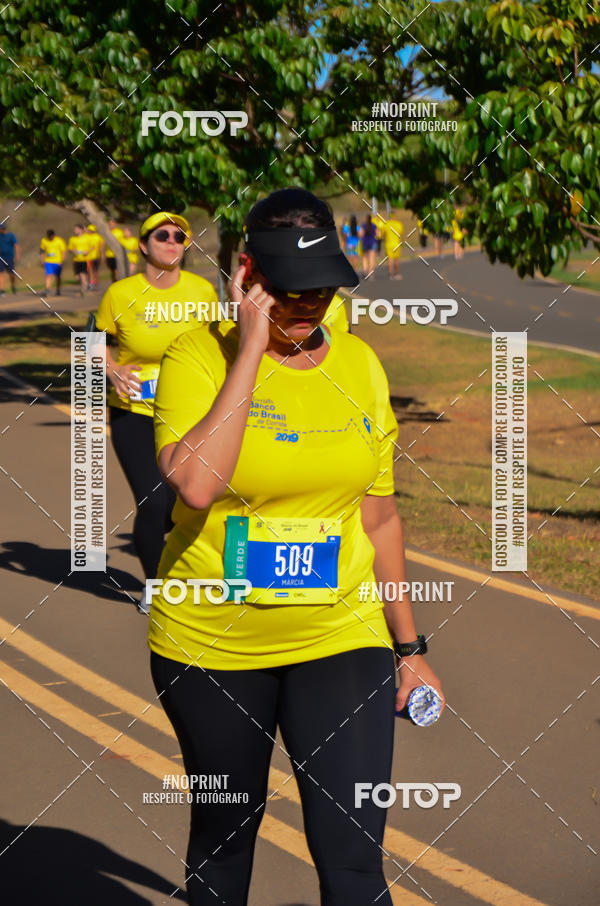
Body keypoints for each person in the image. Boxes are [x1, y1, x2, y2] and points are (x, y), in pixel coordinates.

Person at [150, 187, 445, 906]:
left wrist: (409, 650)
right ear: (248, 274)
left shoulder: (360, 366)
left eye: (322, 288)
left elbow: (380, 519)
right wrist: (251, 350)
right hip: (214, 643)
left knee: (355, 861)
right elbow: (196, 485)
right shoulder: (196, 356)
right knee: (224, 844)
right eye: (289, 290)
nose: (308, 304)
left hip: (340, 635)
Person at [94, 212, 218, 613]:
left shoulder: (202, 291)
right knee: (152, 501)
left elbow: (218, 345)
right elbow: (91, 342)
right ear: (143, 245)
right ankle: (156, 586)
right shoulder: (120, 294)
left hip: (190, 414)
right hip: (135, 413)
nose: (172, 241)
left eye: (180, 236)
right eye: (162, 235)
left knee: (184, 502)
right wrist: (111, 369)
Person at [376, 211, 404, 279]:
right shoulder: (399, 224)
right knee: (396, 259)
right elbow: (400, 234)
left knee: (390, 259)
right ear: (395, 216)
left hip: (388, 244)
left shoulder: (386, 224)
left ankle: (390, 274)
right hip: (396, 244)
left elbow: (380, 234)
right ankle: (397, 273)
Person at [40, 229, 67, 296]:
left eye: (51, 236)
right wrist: (42, 260)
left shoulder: (59, 241)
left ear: (54, 235)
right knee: (48, 275)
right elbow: (42, 251)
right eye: (49, 236)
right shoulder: (44, 240)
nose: (50, 238)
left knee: (57, 277)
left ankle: (58, 290)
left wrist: (62, 260)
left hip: (57, 262)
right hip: (48, 261)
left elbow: (63, 251)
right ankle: (47, 289)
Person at [67, 224, 91, 295]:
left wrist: (88, 251)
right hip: (76, 260)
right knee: (77, 277)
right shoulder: (72, 239)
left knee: (82, 275)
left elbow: (93, 246)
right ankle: (85, 285)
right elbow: (69, 248)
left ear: (80, 230)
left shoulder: (87, 238)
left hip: (84, 260)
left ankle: (83, 290)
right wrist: (73, 251)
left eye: (76, 229)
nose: (74, 230)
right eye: (75, 229)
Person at [0, 223, 20, 295]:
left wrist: (17, 255)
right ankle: (2, 290)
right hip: (1, 258)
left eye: (3, 228)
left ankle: (13, 286)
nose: (2, 230)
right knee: (1, 273)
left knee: (11, 274)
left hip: (9, 258)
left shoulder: (10, 235)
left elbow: (16, 245)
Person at [85, 225, 104, 290]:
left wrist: (102, 255)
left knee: (95, 271)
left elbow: (101, 247)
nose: (89, 231)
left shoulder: (98, 237)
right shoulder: (86, 236)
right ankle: (91, 283)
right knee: (90, 270)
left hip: (96, 256)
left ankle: (94, 283)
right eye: (89, 230)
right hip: (88, 257)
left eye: (90, 230)